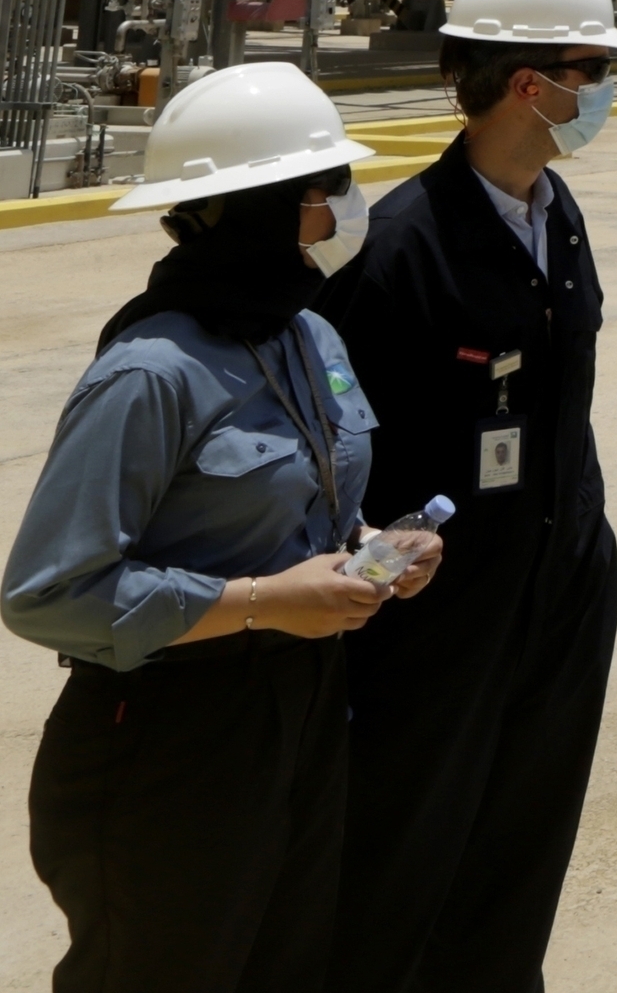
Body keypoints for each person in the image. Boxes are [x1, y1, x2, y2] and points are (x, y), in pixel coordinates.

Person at [5, 63, 443, 992]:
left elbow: (299, 502)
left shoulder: (307, 335)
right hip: (170, 736)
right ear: (261, 209)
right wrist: (260, 601)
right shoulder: (151, 372)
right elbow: (49, 595)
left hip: (302, 712)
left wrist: (376, 548)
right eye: (326, 193)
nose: (346, 211)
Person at [314, 0, 617, 992]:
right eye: (592, 74)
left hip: (556, 589)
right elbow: (332, 445)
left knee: (520, 852)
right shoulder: (402, 247)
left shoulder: (558, 220)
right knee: (400, 860)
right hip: (436, 614)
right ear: (531, 86)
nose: (604, 95)